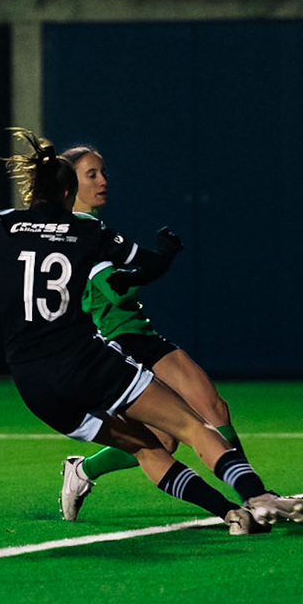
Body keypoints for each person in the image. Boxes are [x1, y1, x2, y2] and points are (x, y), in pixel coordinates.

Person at [0, 128, 303, 535]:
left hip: (32, 381)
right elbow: (143, 267)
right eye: (90, 174)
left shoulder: (1, 224)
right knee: (190, 427)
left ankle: (229, 514)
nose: (101, 181)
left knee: (148, 445)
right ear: (66, 192)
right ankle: (255, 497)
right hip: (85, 358)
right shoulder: (85, 232)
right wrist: (164, 256)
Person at [53, 144, 248, 522]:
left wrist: (153, 263)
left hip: (140, 334)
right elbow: (116, 288)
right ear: (68, 184)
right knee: (162, 440)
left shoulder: (96, 228)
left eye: (104, 171)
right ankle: (83, 470)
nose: (103, 180)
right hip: (113, 343)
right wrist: (154, 264)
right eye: (91, 174)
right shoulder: (75, 234)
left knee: (213, 407)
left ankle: (256, 495)